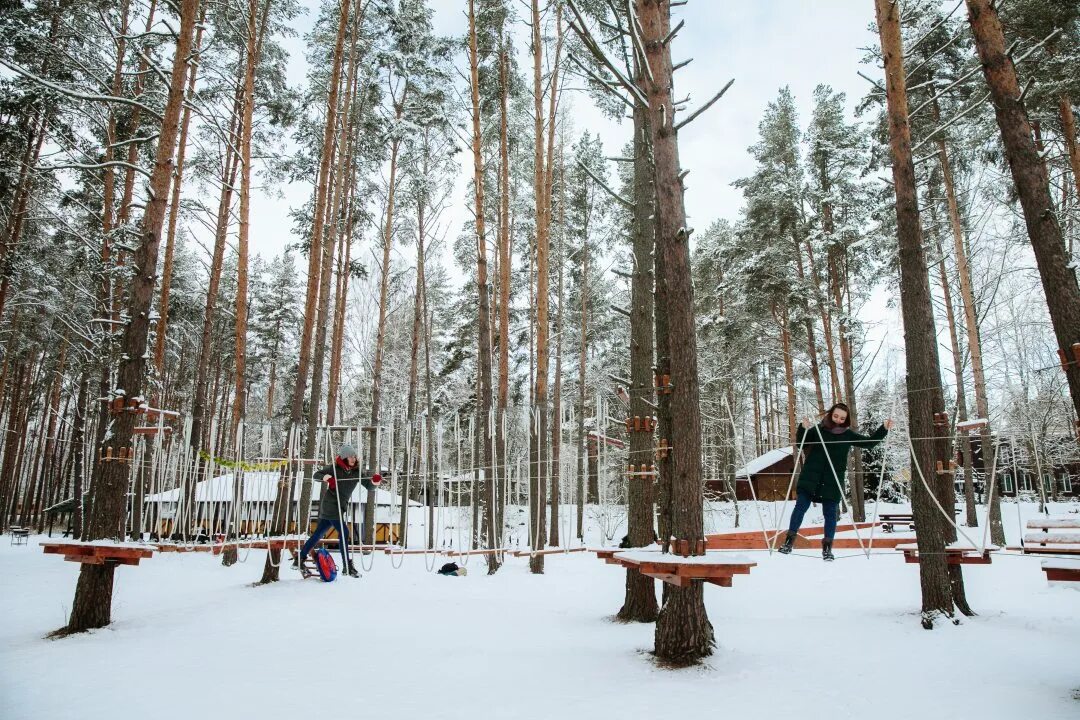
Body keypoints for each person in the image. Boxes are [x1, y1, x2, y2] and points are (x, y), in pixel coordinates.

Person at [778, 403, 893, 561]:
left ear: (846, 420)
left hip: (832, 481)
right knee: (800, 508)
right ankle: (788, 542)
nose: (838, 420)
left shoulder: (847, 435)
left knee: (831, 515)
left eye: (842, 418)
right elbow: (801, 444)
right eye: (836, 416)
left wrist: (884, 428)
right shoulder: (818, 430)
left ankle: (827, 549)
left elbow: (869, 443)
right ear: (831, 414)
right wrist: (803, 428)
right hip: (811, 477)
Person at [299, 443, 381, 577]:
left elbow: (369, 487)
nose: (353, 459)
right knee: (344, 532)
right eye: (350, 456)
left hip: (339, 507)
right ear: (344, 458)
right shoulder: (334, 468)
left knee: (318, 534)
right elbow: (316, 475)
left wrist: (375, 482)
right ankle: (347, 566)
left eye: (354, 456)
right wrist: (328, 478)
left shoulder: (357, 471)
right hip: (331, 505)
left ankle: (300, 558)